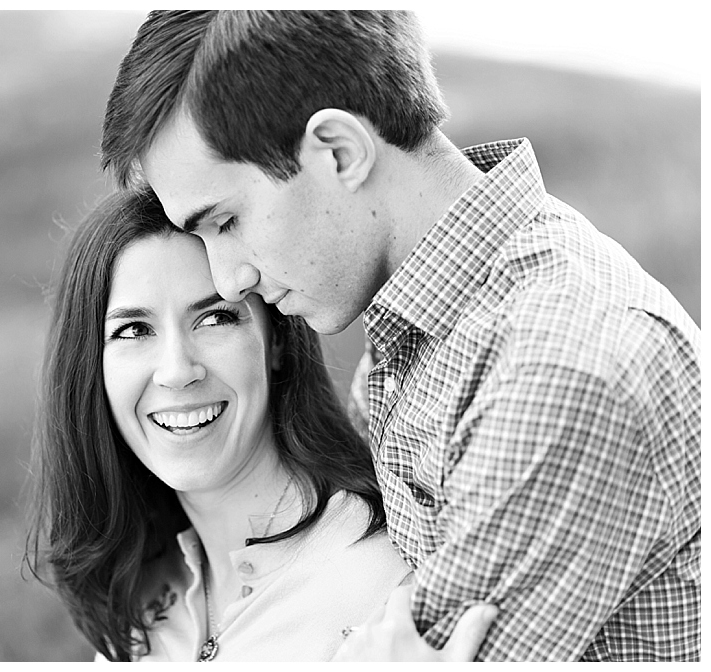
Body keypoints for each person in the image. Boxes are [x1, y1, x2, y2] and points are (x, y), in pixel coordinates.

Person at [98, 10, 701, 662]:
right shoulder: (431, 324)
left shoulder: (559, 370)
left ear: (339, 151)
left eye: (226, 222)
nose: (230, 277)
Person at [23, 188, 496, 662]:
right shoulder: (141, 593)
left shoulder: (384, 588)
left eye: (214, 319)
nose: (176, 370)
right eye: (133, 330)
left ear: (277, 343)